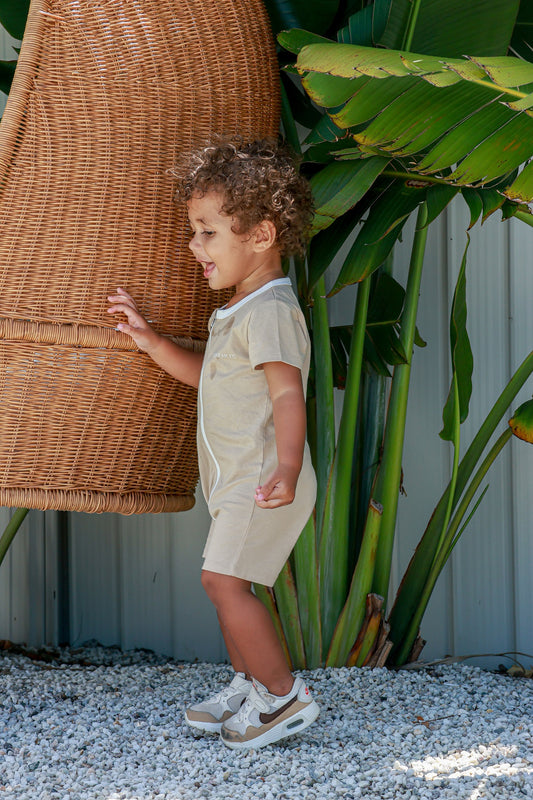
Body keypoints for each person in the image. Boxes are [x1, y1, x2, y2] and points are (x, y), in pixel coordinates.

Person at [107, 139, 319, 750]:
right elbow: (213, 378)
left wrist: (285, 464)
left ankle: (282, 696)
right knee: (228, 584)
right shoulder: (239, 309)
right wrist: (150, 342)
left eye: (206, 232)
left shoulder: (271, 310)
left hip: (264, 479)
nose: (192, 246)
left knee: (222, 583)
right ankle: (249, 685)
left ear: (260, 234)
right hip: (237, 482)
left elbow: (286, 395)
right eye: (193, 231)